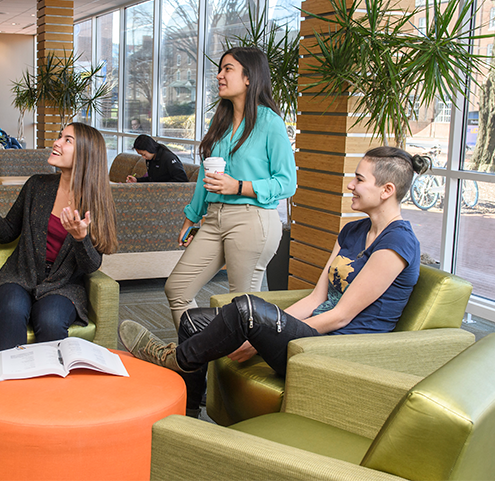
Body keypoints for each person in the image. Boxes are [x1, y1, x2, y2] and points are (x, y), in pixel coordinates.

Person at [120, 146, 430, 416]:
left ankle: (173, 359)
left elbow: (341, 315)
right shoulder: (353, 232)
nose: (351, 185)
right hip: (313, 332)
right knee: (192, 321)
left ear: (387, 190)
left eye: (360, 180)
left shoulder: (398, 242)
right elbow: (316, 299)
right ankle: (184, 414)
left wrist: (258, 337)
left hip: (339, 349)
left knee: (247, 310)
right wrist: (270, 330)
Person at [164, 47, 297, 330]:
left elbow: (287, 182)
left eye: (228, 69)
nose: (219, 75)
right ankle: (198, 359)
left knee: (243, 308)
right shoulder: (220, 121)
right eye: (220, 69)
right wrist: (192, 215)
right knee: (177, 289)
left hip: (252, 220)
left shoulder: (270, 123)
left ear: (249, 77)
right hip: (214, 218)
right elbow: (205, 175)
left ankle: (233, 370)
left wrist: (238, 186)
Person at [0, 122, 118, 352]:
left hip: (62, 287)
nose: (56, 143)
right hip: (18, 277)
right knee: (14, 307)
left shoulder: (97, 204)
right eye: (60, 136)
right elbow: (6, 234)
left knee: (51, 319)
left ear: (86, 154)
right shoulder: (37, 186)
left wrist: (80, 238)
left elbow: (91, 266)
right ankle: (8, 385)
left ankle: (48, 387)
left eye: (67, 140)